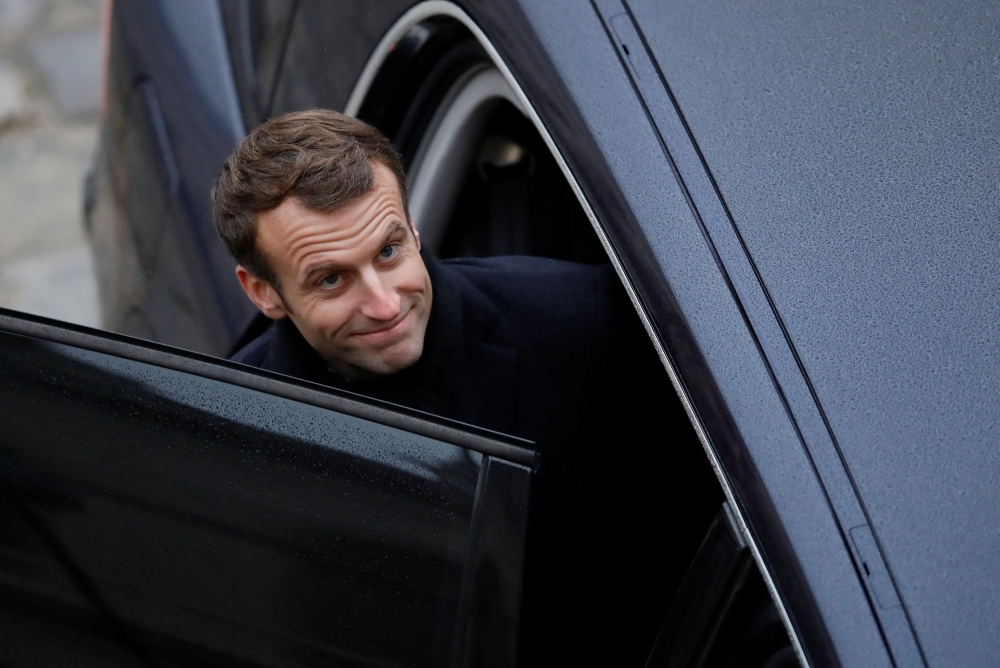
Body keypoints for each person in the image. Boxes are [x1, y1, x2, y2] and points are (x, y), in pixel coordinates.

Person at [212, 109, 719, 666]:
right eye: (331, 278)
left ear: (413, 227)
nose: (385, 305)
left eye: (389, 251)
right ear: (263, 293)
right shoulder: (233, 434)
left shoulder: (590, 325)